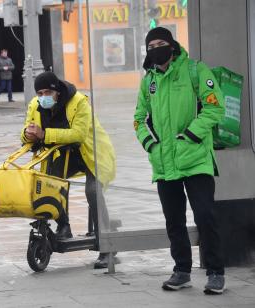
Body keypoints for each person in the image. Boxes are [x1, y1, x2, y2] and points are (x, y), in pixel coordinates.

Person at [134, 27, 226, 294]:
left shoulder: (196, 71)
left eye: (161, 43)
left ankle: (216, 272)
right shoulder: (148, 80)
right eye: (151, 46)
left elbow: (215, 107)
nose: (156, 49)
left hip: (196, 159)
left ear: (172, 45)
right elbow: (139, 118)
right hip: (164, 164)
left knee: (205, 216)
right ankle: (182, 270)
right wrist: (150, 143)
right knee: (173, 220)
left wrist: (191, 135)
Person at [21, 71, 117, 269]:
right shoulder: (35, 105)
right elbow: (26, 132)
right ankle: (63, 226)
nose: (43, 97)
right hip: (63, 154)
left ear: (56, 91)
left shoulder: (78, 102)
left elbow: (79, 134)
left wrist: (44, 134)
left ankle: (107, 245)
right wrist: (27, 134)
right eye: (39, 93)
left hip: (92, 153)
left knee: (92, 191)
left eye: (47, 92)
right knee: (48, 184)